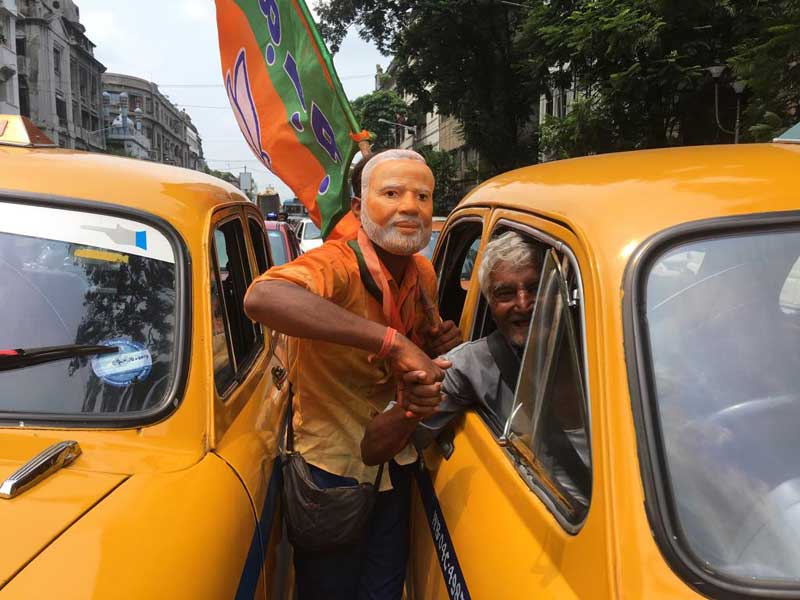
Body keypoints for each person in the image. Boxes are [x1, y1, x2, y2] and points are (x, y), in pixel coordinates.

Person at [243, 148, 461, 600]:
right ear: (360, 210)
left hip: (394, 459)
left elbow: (414, 349)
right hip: (332, 471)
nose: (409, 206)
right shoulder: (335, 265)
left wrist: (429, 346)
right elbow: (262, 299)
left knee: (383, 589)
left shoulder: (422, 272)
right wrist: (391, 341)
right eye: (392, 193)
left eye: (423, 196)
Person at [360, 231, 540, 464]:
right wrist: (410, 407)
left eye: (535, 288)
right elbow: (371, 450)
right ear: (490, 306)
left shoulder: (595, 354)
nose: (523, 304)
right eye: (505, 294)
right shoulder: (473, 364)